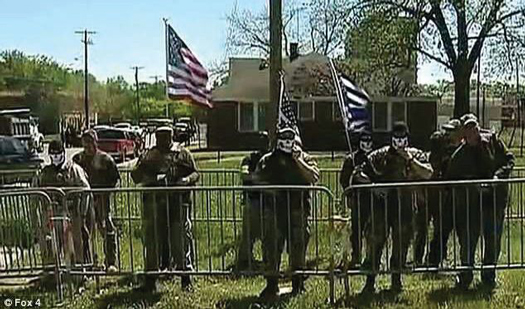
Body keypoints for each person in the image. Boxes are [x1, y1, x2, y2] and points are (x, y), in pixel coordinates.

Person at [355, 122, 433, 293]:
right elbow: (358, 173)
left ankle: (396, 281)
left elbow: (428, 173)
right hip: (381, 206)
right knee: (375, 242)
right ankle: (370, 282)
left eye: (402, 138)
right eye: (395, 138)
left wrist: (410, 159)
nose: (398, 142)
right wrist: (373, 185)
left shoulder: (416, 154)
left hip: (405, 206)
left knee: (402, 243)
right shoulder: (381, 154)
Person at [446, 113, 514, 290]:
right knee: (468, 243)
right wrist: (469, 186)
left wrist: (497, 177)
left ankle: (488, 277)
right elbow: (451, 180)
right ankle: (465, 277)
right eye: (468, 128)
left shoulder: (493, 141)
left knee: (493, 241)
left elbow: (509, 160)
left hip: (494, 202)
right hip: (471, 206)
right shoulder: (458, 157)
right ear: (463, 132)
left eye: (474, 127)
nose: (473, 131)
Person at [131, 126, 199, 292]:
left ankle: (185, 278)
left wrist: (186, 180)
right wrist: (149, 175)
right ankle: (151, 279)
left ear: (172, 136)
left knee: (181, 239)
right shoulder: (148, 155)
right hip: (154, 204)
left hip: (178, 204)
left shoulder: (183, 153)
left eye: (166, 136)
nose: (163, 139)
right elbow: (135, 176)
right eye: (160, 136)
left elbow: (196, 173)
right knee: (152, 241)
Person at [255, 127, 319, 299]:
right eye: (284, 138)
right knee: (271, 248)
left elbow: (314, 177)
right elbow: (257, 180)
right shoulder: (268, 160)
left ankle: (298, 284)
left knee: (298, 248)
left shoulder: (304, 157)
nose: (288, 142)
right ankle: (271, 285)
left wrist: (298, 160)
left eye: (291, 138)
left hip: (298, 210)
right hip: (274, 211)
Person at [34, 140, 93, 268]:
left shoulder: (73, 169)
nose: (55, 157)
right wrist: (39, 215)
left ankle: (78, 273)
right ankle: (52, 274)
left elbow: (86, 190)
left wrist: (82, 214)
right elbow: (35, 193)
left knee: (75, 245)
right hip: (52, 215)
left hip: (72, 215)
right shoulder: (44, 173)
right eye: (52, 154)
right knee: (51, 245)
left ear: (63, 153)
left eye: (58, 153)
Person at [413, 119, 462, 266]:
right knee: (422, 230)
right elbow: (429, 171)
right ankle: (418, 259)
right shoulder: (433, 155)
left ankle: (436, 258)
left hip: (442, 196)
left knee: (439, 230)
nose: (447, 136)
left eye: (450, 132)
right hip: (428, 195)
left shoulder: (455, 153)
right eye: (445, 132)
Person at [73, 130, 119, 272]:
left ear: (95, 142)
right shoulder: (78, 159)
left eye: (90, 141)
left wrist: (106, 194)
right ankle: (88, 263)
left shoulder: (106, 159)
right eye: (84, 142)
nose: (87, 145)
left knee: (107, 230)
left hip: (102, 201)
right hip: (83, 202)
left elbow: (115, 180)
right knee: (84, 232)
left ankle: (111, 262)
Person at [339, 131, 374, 268]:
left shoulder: (374, 157)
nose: (366, 144)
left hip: (373, 200)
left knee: (372, 230)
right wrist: (349, 194)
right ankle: (356, 257)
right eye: (364, 141)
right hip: (358, 199)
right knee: (356, 230)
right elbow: (344, 180)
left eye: (369, 141)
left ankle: (371, 257)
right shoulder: (351, 159)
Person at [236, 131, 269, 271]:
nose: (262, 143)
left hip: (269, 202)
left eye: (265, 140)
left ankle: (268, 260)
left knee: (268, 233)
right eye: (259, 140)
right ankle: (244, 260)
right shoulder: (249, 159)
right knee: (249, 233)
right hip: (253, 201)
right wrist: (262, 179)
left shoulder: (271, 158)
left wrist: (256, 178)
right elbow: (245, 175)